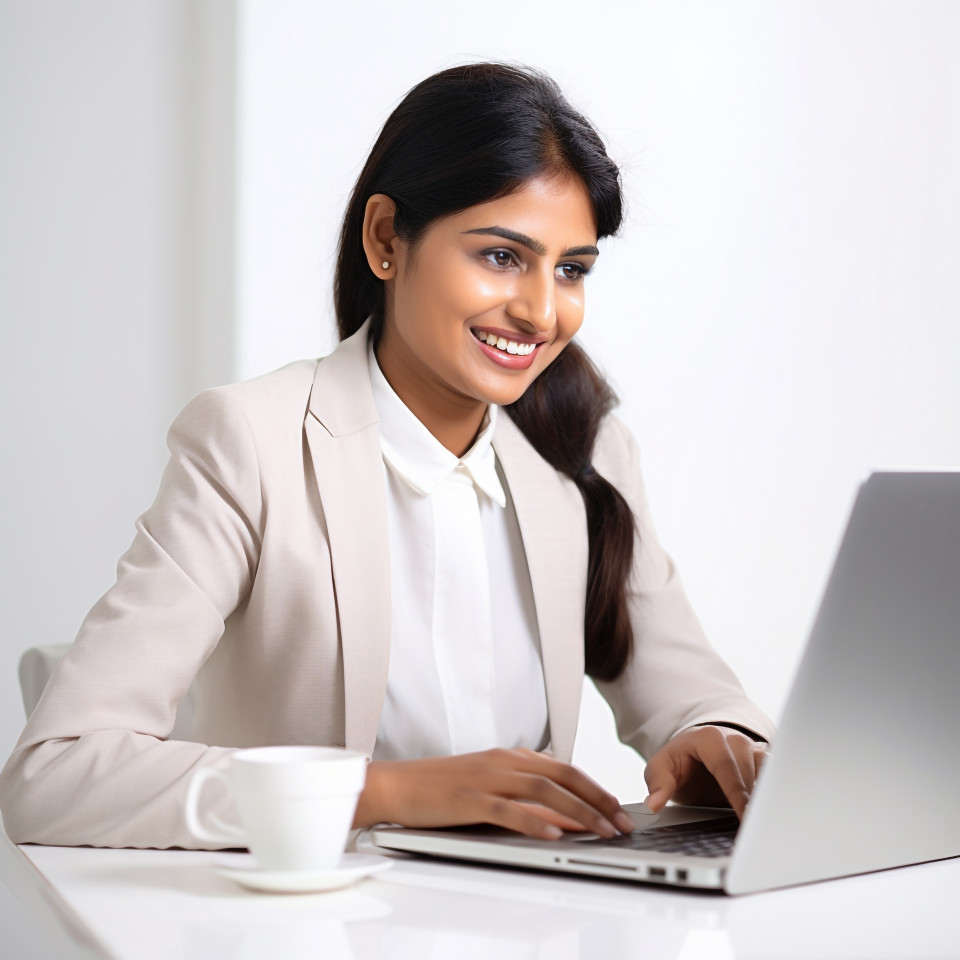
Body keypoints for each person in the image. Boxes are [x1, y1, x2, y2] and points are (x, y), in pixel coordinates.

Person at [0, 63, 773, 850]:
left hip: (539, 923)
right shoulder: (251, 442)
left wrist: (721, 745)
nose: (542, 311)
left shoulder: (588, 448)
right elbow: (54, 775)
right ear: (384, 240)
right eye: (502, 256)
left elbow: (694, 697)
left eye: (570, 269)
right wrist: (383, 791)